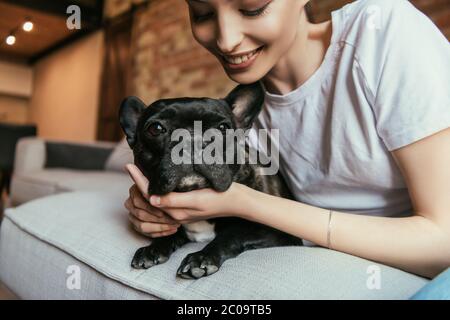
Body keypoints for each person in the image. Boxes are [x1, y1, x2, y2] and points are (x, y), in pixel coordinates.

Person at [124, 0, 450, 282]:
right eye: (203, 14)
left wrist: (245, 202)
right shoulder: (241, 125)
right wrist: (155, 203)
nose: (227, 39)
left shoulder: (380, 31)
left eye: (253, 8)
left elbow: (443, 243)